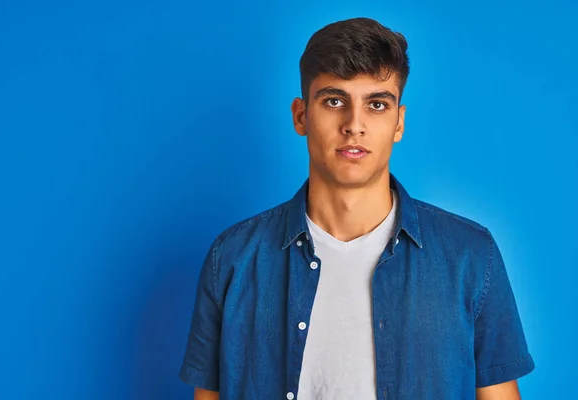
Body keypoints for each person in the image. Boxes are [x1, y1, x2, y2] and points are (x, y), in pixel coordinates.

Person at [179, 17, 535, 400]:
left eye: (377, 104)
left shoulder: (469, 256)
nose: (354, 125)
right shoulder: (232, 259)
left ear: (398, 122)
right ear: (301, 115)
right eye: (334, 101)